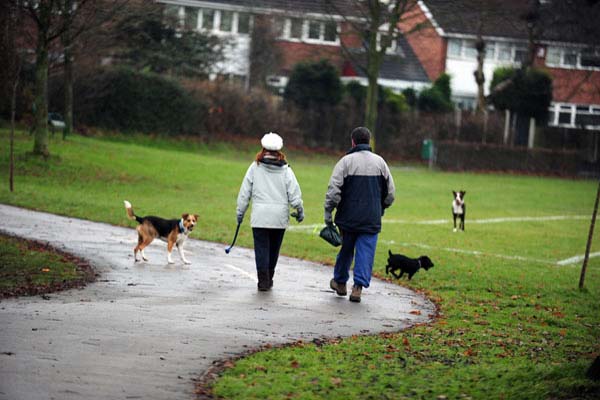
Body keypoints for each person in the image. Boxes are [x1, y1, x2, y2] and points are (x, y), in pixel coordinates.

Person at [324, 127, 395, 303]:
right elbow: (390, 194)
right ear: (369, 141)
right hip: (371, 217)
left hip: (347, 217)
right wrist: (381, 208)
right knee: (366, 252)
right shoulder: (380, 163)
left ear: (353, 142)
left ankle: (340, 282)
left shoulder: (345, 162)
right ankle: (358, 287)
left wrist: (328, 213)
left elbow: (333, 191)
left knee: (346, 250)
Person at [236, 132, 304, 291]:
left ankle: (263, 281)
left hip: (260, 217)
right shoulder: (286, 169)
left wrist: (240, 212)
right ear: (279, 150)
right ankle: (269, 277)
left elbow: (244, 193)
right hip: (279, 218)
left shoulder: (255, 167)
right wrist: (299, 210)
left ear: (263, 148)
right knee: (274, 249)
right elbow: (294, 193)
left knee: (261, 248)